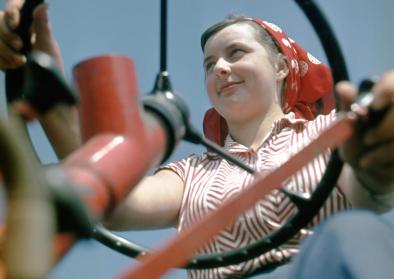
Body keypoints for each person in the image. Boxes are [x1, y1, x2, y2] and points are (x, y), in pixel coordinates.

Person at [1, 1, 394, 278]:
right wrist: (40, 62)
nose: (220, 68)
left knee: (354, 233)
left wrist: (376, 166)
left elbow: (369, 180)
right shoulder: (191, 173)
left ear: (280, 66)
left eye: (236, 53)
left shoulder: (329, 134)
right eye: (209, 65)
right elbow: (110, 195)